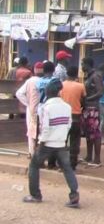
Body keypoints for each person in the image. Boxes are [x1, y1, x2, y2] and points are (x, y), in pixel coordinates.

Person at [23, 79, 80, 208]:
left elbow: (45, 128)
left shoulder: (45, 108)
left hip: (47, 143)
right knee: (67, 169)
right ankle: (74, 196)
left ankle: (35, 195)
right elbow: (68, 124)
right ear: (59, 92)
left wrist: (41, 141)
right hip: (61, 143)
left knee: (34, 166)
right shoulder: (67, 107)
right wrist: (62, 138)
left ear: (47, 92)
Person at [60, 66, 86, 170]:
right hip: (76, 116)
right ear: (76, 74)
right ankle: (73, 164)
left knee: (62, 141)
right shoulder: (81, 86)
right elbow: (84, 101)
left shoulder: (61, 85)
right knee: (75, 141)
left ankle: (62, 164)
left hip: (63, 116)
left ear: (67, 74)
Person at [15, 62, 43, 158]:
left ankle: (31, 153)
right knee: (42, 131)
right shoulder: (46, 80)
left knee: (31, 131)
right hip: (43, 109)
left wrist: (27, 103)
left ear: (34, 70)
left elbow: (19, 93)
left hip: (31, 110)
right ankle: (40, 154)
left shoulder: (30, 81)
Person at [81, 57, 104, 166]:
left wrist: (88, 99)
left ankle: (97, 158)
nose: (81, 66)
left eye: (82, 64)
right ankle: (89, 156)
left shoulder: (96, 76)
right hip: (87, 108)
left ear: (87, 64)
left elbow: (100, 92)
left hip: (93, 108)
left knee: (95, 134)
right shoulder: (88, 76)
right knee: (88, 133)